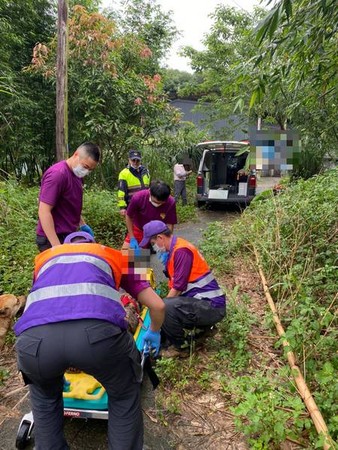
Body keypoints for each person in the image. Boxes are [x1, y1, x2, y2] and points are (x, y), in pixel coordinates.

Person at [14, 231, 165, 450]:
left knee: (45, 399)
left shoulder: (45, 259)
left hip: (33, 343)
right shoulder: (108, 255)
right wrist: (155, 331)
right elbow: (158, 306)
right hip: (97, 338)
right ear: (94, 243)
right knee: (123, 396)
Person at [140, 220, 226, 356]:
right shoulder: (174, 250)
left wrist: (158, 313)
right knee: (167, 306)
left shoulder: (181, 251)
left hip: (212, 307)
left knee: (166, 307)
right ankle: (202, 330)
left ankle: (181, 348)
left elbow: (178, 288)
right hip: (205, 304)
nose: (153, 248)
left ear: (160, 238)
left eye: (152, 243)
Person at [36, 142, 100, 252]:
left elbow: (70, 204)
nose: (86, 171)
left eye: (90, 170)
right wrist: (56, 247)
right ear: (76, 155)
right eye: (85, 167)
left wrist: (83, 224)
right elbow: (43, 211)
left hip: (68, 235)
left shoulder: (77, 175)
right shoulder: (58, 175)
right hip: (52, 238)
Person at [122, 180, 177, 250]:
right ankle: (145, 255)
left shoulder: (170, 202)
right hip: (139, 229)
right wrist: (132, 238)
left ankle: (148, 253)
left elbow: (170, 223)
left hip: (158, 232)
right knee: (124, 253)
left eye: (161, 203)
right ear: (150, 192)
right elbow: (129, 216)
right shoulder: (138, 197)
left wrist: (167, 242)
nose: (157, 205)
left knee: (161, 253)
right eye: (155, 202)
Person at [117, 149, 150, 216]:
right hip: (131, 205)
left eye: (137, 160)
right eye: (133, 160)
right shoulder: (124, 173)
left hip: (145, 205)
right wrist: (122, 207)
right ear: (129, 160)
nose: (135, 162)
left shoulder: (146, 172)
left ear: (140, 160)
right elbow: (121, 191)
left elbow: (148, 188)